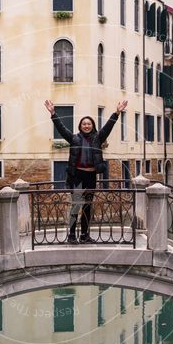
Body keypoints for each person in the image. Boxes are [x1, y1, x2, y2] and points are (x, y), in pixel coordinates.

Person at [45, 99, 128, 243]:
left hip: (90, 176)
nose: (86, 126)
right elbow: (61, 128)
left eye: (89, 124)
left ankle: (84, 235)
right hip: (77, 176)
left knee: (87, 206)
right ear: (80, 126)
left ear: (92, 125)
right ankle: (71, 236)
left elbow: (108, 127)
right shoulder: (74, 138)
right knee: (76, 205)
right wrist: (53, 114)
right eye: (84, 124)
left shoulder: (98, 138)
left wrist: (117, 113)